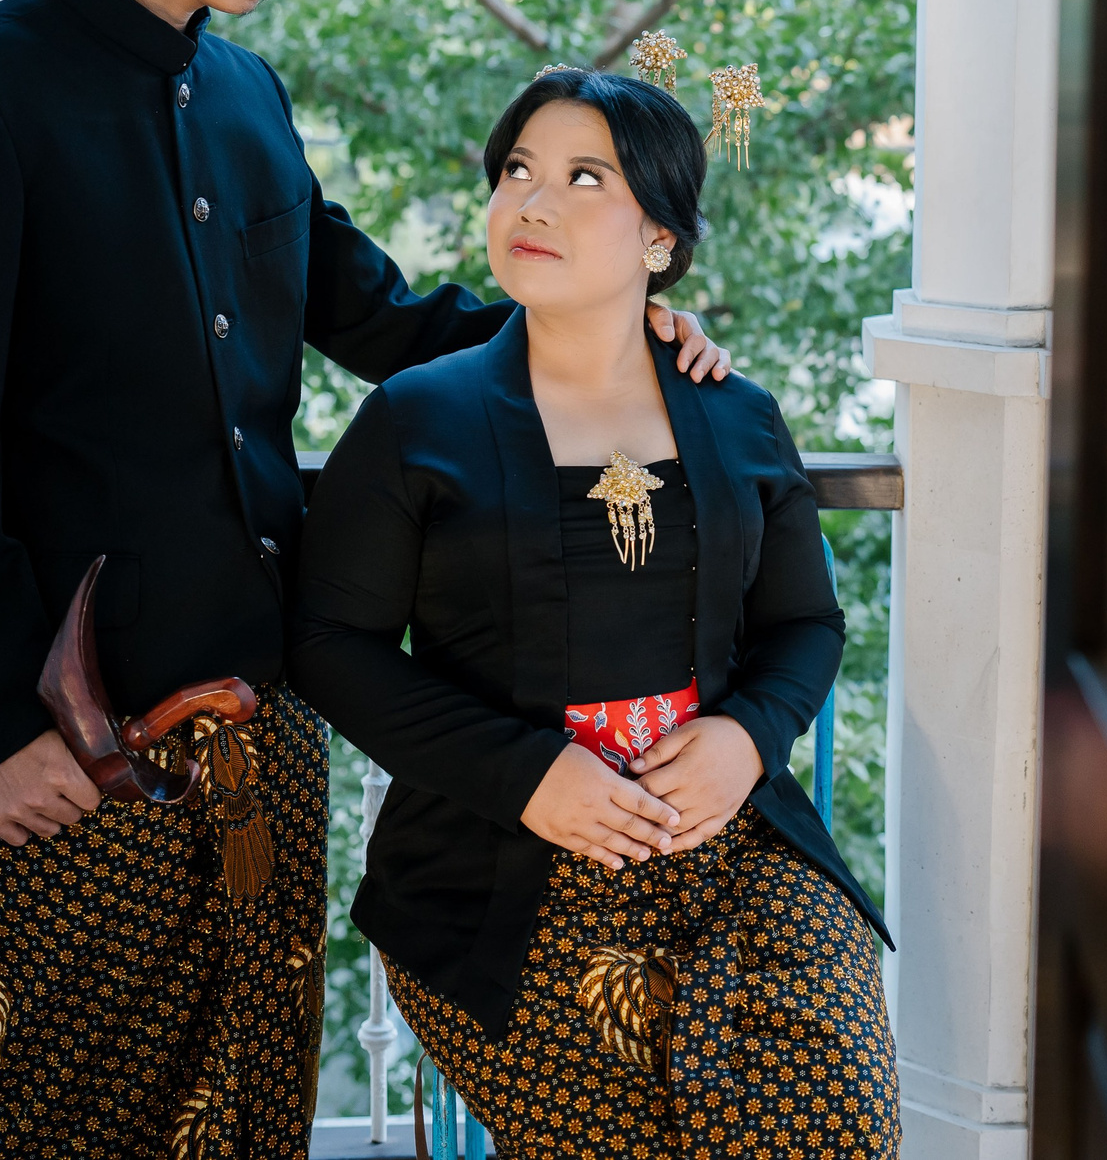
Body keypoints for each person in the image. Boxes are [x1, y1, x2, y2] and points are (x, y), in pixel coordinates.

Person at [0, 0, 729, 1160]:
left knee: (250, 1110)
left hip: (273, 716)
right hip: (85, 737)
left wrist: (615, 327)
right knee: (58, 1116)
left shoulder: (247, 93)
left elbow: (374, 314)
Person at [290, 68, 897, 1158]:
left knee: (832, 1118)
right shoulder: (416, 419)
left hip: (732, 848)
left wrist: (747, 741)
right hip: (501, 870)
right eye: (515, 172)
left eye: (584, 178)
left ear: (660, 240)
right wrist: (527, 774)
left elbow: (807, 626)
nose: (531, 203)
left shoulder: (737, 415)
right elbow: (332, 646)